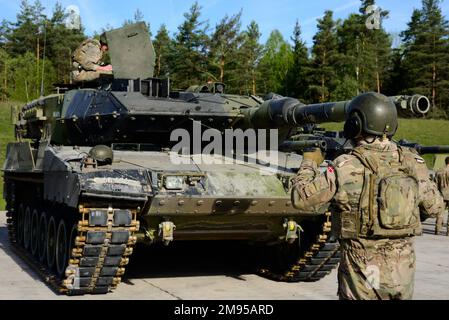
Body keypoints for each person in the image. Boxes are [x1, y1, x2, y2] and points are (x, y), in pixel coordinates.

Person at [291, 92, 444, 300]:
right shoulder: (413, 163)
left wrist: (309, 162)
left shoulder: (345, 166)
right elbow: (434, 208)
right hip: (402, 271)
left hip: (364, 273)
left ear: (355, 124)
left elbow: (301, 198)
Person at [434, 156, 449, 236]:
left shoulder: (439, 171)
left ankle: (437, 230)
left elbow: (435, 184)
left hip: (441, 194)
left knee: (440, 213)